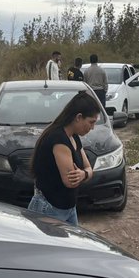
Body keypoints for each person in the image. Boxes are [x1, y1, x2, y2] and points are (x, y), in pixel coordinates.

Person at [26, 90, 100, 226]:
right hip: (49, 208)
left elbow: (89, 168)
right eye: (91, 122)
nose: (92, 127)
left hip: (68, 208)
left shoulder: (73, 136)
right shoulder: (58, 139)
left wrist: (83, 174)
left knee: (72, 247)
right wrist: (85, 174)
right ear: (78, 117)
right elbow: (70, 182)